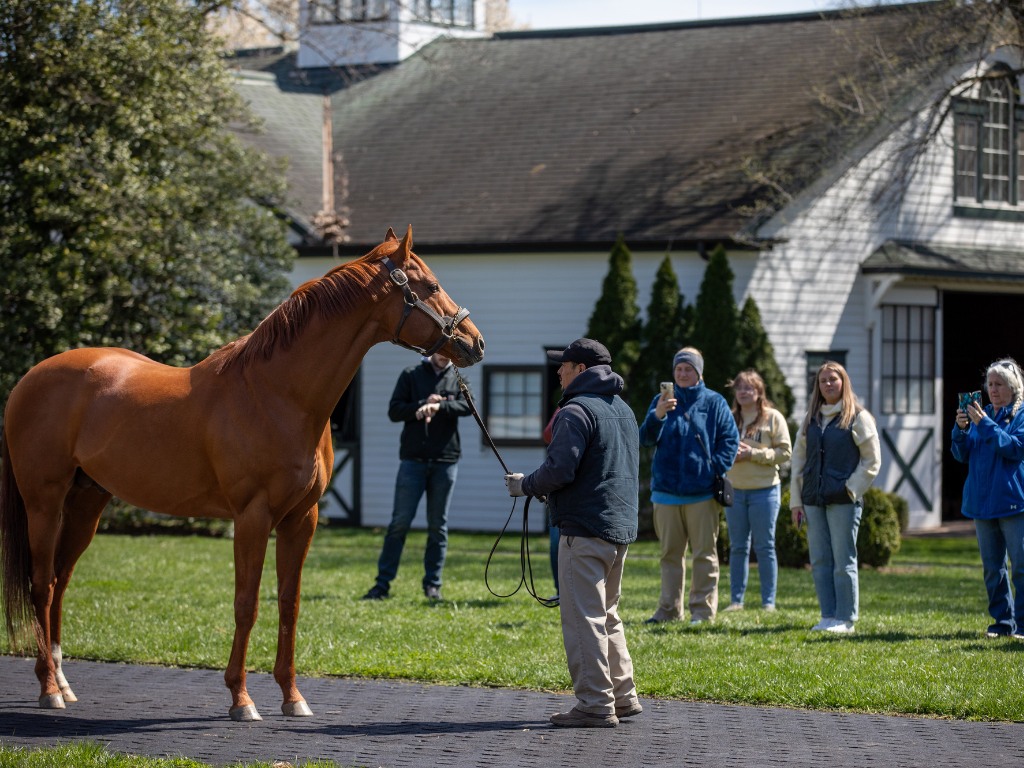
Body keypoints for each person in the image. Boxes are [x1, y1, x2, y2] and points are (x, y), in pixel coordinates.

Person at [504, 338, 641, 728]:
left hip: (583, 530)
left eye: (563, 365)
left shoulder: (574, 411)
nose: (559, 371)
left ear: (580, 370)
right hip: (620, 529)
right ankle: (623, 695)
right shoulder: (624, 410)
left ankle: (596, 703)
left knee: (583, 618)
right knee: (608, 614)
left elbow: (560, 470)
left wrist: (524, 484)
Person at [639, 347, 739, 625]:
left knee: (705, 555)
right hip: (665, 492)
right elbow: (645, 439)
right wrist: (656, 415)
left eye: (688, 369)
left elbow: (730, 440)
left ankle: (702, 612)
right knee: (670, 556)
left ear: (699, 372)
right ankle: (669, 610)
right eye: (679, 369)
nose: (682, 374)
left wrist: (713, 470)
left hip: (702, 493)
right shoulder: (660, 400)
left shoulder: (714, 402)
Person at [362, 352, 473, 601]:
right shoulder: (410, 375)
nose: (445, 356)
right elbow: (394, 411)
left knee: (438, 527)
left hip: (445, 462)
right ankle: (382, 585)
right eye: (441, 351)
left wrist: (440, 406)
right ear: (431, 351)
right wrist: (421, 407)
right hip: (412, 462)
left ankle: (433, 585)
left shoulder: (458, 377)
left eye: (449, 352)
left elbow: (469, 407)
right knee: (399, 523)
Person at [790, 361, 880, 634]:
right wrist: (796, 502)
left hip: (844, 501)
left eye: (833, 379)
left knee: (843, 561)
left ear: (844, 383)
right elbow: (798, 462)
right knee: (819, 560)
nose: (828, 384)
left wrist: (850, 489)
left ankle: (846, 618)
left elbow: (872, 461)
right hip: (812, 500)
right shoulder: (810, 419)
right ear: (817, 386)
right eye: (822, 380)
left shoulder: (858, 417)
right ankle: (828, 616)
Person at [951, 358, 1024, 640]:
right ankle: (1002, 622)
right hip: (981, 503)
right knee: (993, 568)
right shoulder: (982, 415)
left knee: (1019, 566)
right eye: (990, 384)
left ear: (1013, 387)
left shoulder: (1019, 415)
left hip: (1012, 501)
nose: (992, 390)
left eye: (999, 384)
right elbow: (960, 454)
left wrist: (985, 424)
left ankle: (1022, 623)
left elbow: (1015, 448)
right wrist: (961, 430)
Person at [722, 370, 792, 613]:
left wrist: (753, 454)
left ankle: (768, 603)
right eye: (739, 387)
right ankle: (736, 601)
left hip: (765, 491)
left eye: (748, 388)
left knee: (764, 546)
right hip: (735, 490)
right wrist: (732, 456)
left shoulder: (773, 418)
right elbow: (718, 449)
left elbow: (785, 453)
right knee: (738, 547)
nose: (743, 392)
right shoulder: (729, 418)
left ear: (759, 392)